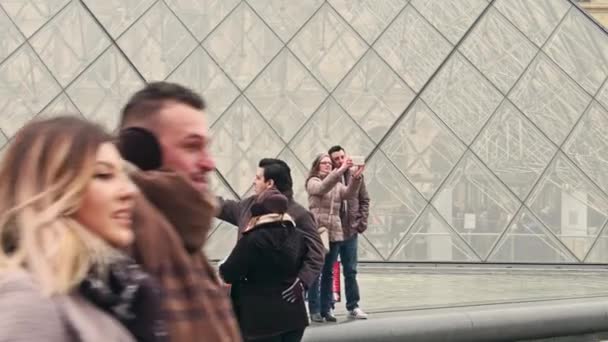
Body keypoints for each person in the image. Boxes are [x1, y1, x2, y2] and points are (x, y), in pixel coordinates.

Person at [0, 117, 165, 341]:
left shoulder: (100, 291)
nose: (129, 191)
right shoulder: (29, 297)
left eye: (123, 175)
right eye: (103, 175)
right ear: (52, 190)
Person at [118, 82, 241, 341]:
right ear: (138, 150)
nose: (209, 163)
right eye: (191, 146)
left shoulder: (182, 228)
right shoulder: (128, 235)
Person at [217, 159, 324, 305]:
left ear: (270, 183)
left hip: (282, 299)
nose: (253, 182)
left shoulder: (300, 215)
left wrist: (302, 282)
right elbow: (223, 207)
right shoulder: (248, 206)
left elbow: (316, 253)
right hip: (248, 298)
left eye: (258, 178)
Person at [220, 189, 308, 342]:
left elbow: (229, 272)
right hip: (294, 315)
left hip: (260, 319)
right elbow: (304, 264)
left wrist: (222, 266)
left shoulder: (253, 239)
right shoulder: (298, 236)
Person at [306, 153, 364, 323]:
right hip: (319, 232)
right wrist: (340, 171)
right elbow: (322, 188)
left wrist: (356, 177)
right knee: (316, 272)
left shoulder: (337, 184)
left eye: (329, 163)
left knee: (329, 273)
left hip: (335, 232)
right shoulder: (313, 182)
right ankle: (314, 309)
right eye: (324, 163)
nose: (327, 165)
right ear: (316, 166)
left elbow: (349, 194)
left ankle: (327, 309)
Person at [328, 145, 369, 319]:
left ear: (346, 157)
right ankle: (327, 306)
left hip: (350, 231)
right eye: (335, 159)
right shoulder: (328, 178)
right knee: (328, 270)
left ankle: (353, 305)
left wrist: (361, 222)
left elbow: (364, 199)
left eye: (341, 157)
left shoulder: (356, 176)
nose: (339, 161)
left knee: (350, 270)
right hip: (333, 231)